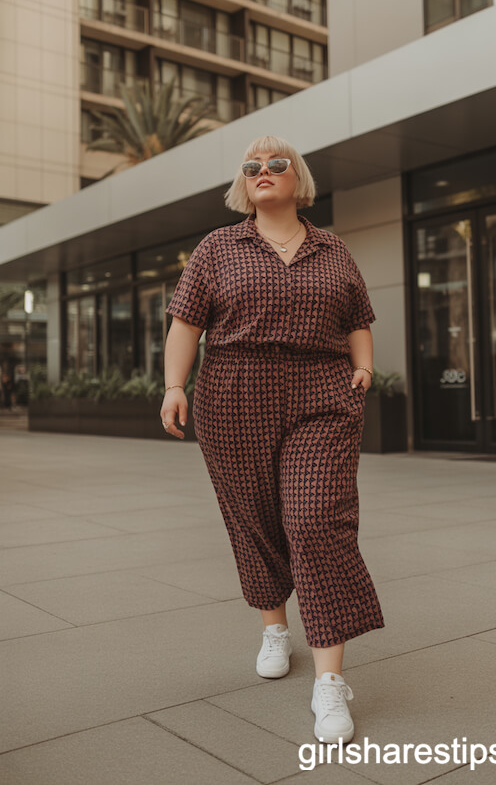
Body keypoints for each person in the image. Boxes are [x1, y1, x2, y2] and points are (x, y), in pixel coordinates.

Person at [160, 135, 384, 743]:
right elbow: (186, 321)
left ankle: (330, 682)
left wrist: (362, 367)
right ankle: (275, 627)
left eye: (276, 164)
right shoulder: (217, 248)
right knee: (254, 518)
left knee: (316, 521)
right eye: (252, 166)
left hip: (323, 392)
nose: (263, 172)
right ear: (243, 183)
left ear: (297, 177)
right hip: (234, 392)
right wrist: (173, 385)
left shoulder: (333, 250)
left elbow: (358, 318)